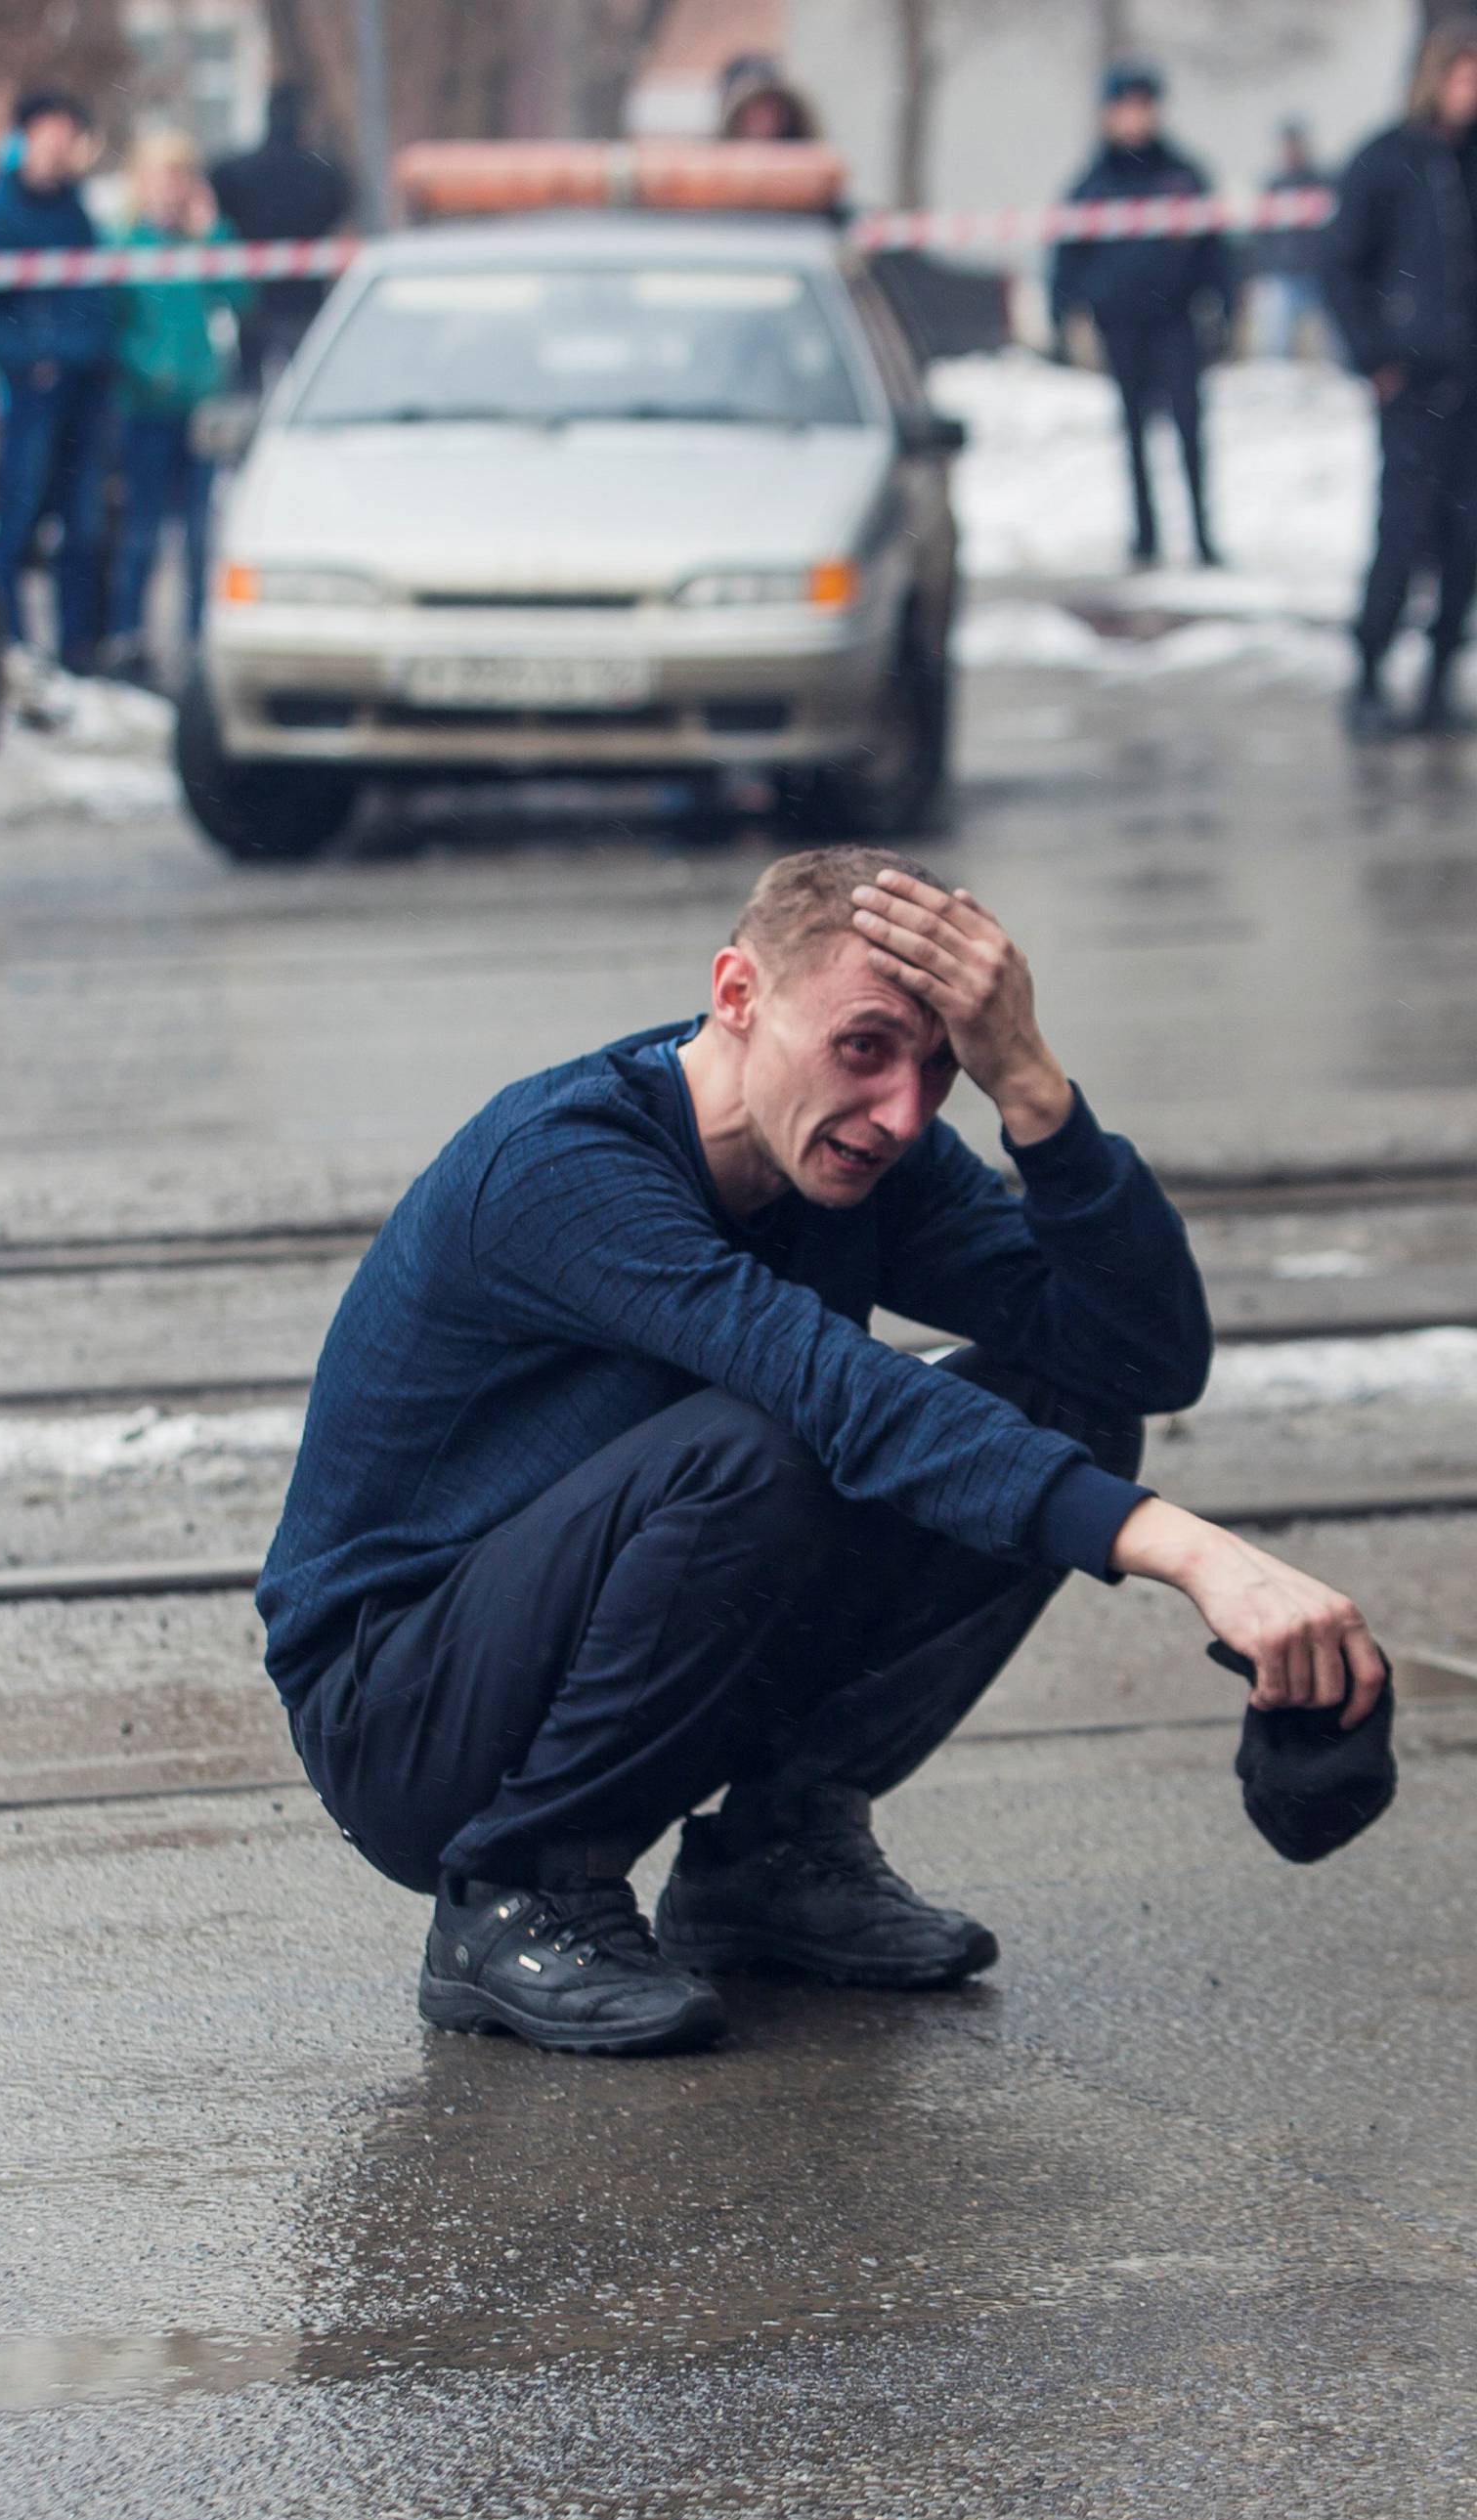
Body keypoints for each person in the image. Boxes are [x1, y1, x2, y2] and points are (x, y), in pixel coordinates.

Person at [258, 847, 1385, 2059]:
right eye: (865, 1046)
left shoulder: (862, 1151)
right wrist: (1199, 1554)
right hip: (403, 1706)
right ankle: (516, 1893)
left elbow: (1140, 1357)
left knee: (1065, 1414)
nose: (904, 1110)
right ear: (738, 995)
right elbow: (835, 1390)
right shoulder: (568, 1166)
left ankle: (774, 1852)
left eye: (942, 1065)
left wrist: (1038, 1095)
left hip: (608, 1628)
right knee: (774, 1436)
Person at [1325, 19, 1477, 738]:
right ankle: (1369, 674)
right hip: (1414, 387)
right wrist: (1376, 357)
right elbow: (1340, 266)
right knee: (1403, 534)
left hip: (1474, 386)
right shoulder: (1387, 161)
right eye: (1464, 74)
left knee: (1465, 540)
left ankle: (1442, 674)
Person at [1051, 61, 1236, 570]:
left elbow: (1216, 249)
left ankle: (1201, 536)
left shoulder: (1183, 174)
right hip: (1121, 324)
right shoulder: (1093, 183)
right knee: (1134, 434)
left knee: (1189, 432)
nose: (1134, 119)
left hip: (1176, 319)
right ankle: (1145, 538)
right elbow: (1068, 254)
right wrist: (1063, 318)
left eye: (1142, 107)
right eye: (1124, 109)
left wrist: (1225, 307)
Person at [0, 91, 113, 674]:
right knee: (18, 522)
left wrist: (98, 349)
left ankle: (77, 653)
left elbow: (94, 290)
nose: (58, 146)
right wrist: (29, 357)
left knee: (83, 527)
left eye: (67, 134)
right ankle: (13, 646)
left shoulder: (76, 209)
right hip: (34, 393)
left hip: (86, 388)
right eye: (50, 132)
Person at [104, 128, 255, 683]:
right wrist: (145, 369)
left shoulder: (204, 243)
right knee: (142, 528)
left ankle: (196, 641)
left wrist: (213, 233)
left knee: (198, 531)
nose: (169, 189)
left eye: (178, 177)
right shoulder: (122, 246)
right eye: (160, 177)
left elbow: (240, 296)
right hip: (146, 408)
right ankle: (129, 637)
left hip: (199, 407)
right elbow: (114, 327)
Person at [207, 84, 350, 393]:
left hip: (256, 299)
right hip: (304, 298)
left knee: (250, 390)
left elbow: (220, 202)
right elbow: (340, 205)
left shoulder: (235, 172)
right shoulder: (323, 173)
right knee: (312, 387)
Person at [1250, 119, 1331, 361]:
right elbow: (1259, 238)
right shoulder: (1273, 187)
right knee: (1274, 345)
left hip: (1319, 273)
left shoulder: (1322, 183)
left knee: (1336, 345)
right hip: (1282, 274)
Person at [717, 57, 820, 143]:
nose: (765, 121)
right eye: (754, 113)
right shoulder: (713, 162)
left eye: (774, 111)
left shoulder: (808, 159)